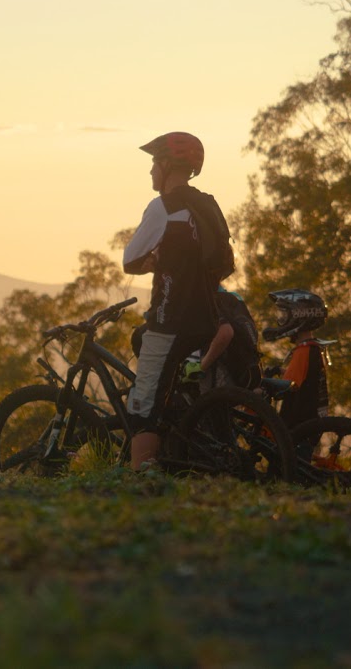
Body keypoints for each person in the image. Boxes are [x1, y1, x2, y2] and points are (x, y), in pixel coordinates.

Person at [122, 132, 230, 471]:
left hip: (170, 319)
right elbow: (224, 263)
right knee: (167, 393)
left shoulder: (163, 207)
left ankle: (143, 478)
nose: (151, 171)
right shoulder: (208, 205)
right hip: (205, 321)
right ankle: (179, 451)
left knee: (142, 408)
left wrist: (154, 262)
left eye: (155, 163)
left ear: (168, 165)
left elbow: (130, 259)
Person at [262, 288, 332, 432]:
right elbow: (303, 378)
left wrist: (261, 384)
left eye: (284, 316)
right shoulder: (314, 348)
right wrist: (280, 371)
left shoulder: (304, 351)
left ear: (299, 316)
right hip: (308, 422)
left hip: (295, 427)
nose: (280, 321)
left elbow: (287, 387)